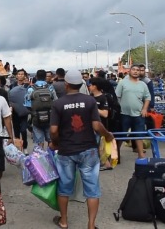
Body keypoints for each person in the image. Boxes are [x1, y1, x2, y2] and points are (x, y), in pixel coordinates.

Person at [50, 70, 115, 229]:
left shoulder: (58, 103)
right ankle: (91, 226)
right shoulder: (90, 101)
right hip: (88, 150)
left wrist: (56, 143)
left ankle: (64, 221)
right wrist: (107, 135)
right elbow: (96, 125)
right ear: (81, 84)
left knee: (64, 187)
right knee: (92, 189)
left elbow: (53, 130)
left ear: (66, 84)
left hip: (66, 150)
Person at [115, 65, 150, 159]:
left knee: (139, 134)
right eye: (133, 70)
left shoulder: (143, 84)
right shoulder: (122, 83)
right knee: (121, 134)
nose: (135, 71)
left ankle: (141, 155)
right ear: (129, 71)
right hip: (124, 114)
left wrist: (144, 109)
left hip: (138, 114)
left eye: (138, 70)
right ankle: (115, 154)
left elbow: (147, 98)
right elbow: (117, 96)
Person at [24, 69, 57, 147]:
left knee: (39, 142)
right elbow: (56, 101)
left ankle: (41, 157)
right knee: (50, 141)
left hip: (36, 119)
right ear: (45, 77)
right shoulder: (50, 88)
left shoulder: (31, 89)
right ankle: (51, 157)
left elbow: (27, 105)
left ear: (36, 77)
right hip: (49, 118)